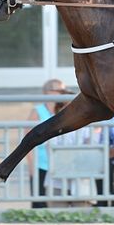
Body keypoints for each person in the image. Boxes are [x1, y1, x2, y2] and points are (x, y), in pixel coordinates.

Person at [25, 78, 71, 208]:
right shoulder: (37, 111)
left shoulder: (65, 110)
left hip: (61, 165)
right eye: (60, 90)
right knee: (40, 202)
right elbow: (27, 140)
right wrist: (32, 166)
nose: (64, 93)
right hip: (42, 164)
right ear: (49, 92)